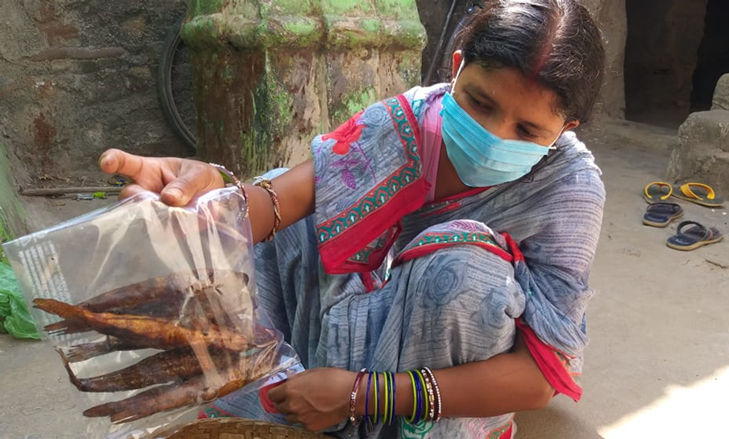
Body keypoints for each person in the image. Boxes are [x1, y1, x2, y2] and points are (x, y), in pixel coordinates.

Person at [99, 0, 606, 437]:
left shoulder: (569, 190)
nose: (493, 134)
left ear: (566, 127)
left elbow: (543, 377)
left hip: (435, 386)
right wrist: (201, 205)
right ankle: (284, 395)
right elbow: (280, 199)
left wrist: (365, 395)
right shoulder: (404, 123)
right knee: (299, 212)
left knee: (463, 273)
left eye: (528, 129)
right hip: (349, 332)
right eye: (478, 102)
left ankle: (353, 410)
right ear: (455, 69)